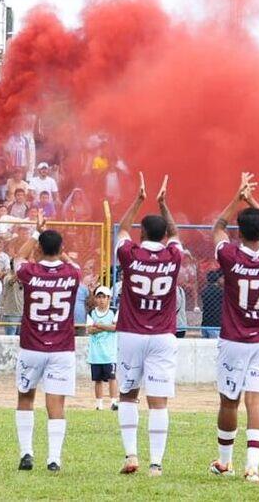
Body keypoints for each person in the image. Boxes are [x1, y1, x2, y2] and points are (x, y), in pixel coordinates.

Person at [209, 172, 259, 483]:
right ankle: (252, 466)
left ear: (239, 233)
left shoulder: (229, 255)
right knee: (258, 402)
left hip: (233, 339)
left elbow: (217, 227)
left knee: (229, 400)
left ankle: (224, 462)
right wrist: (253, 199)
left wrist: (238, 197)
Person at [114, 173, 180, 477]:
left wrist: (138, 200)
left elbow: (122, 229)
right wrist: (164, 204)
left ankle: (131, 455)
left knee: (128, 395)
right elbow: (176, 233)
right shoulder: (173, 255)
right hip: (163, 335)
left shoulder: (130, 254)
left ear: (143, 233)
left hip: (130, 333)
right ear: (165, 235)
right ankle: (156, 463)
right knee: (158, 401)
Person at [10, 212, 80, 472]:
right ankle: (54, 458)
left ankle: (26, 453)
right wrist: (60, 253)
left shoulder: (30, 271)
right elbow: (73, 265)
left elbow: (17, 258)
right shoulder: (73, 275)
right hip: (61, 349)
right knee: (56, 404)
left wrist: (36, 234)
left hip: (31, 346)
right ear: (61, 249)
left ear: (39, 249)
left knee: (25, 398)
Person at [86, 286, 118, 411]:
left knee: (112, 378)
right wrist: (106, 326)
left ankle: (113, 402)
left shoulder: (114, 312)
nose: (101, 300)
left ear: (109, 298)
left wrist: (99, 325)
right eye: (98, 297)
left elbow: (115, 327)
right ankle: (99, 404)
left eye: (104, 297)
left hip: (109, 353)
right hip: (95, 354)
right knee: (97, 380)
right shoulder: (91, 313)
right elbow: (89, 330)